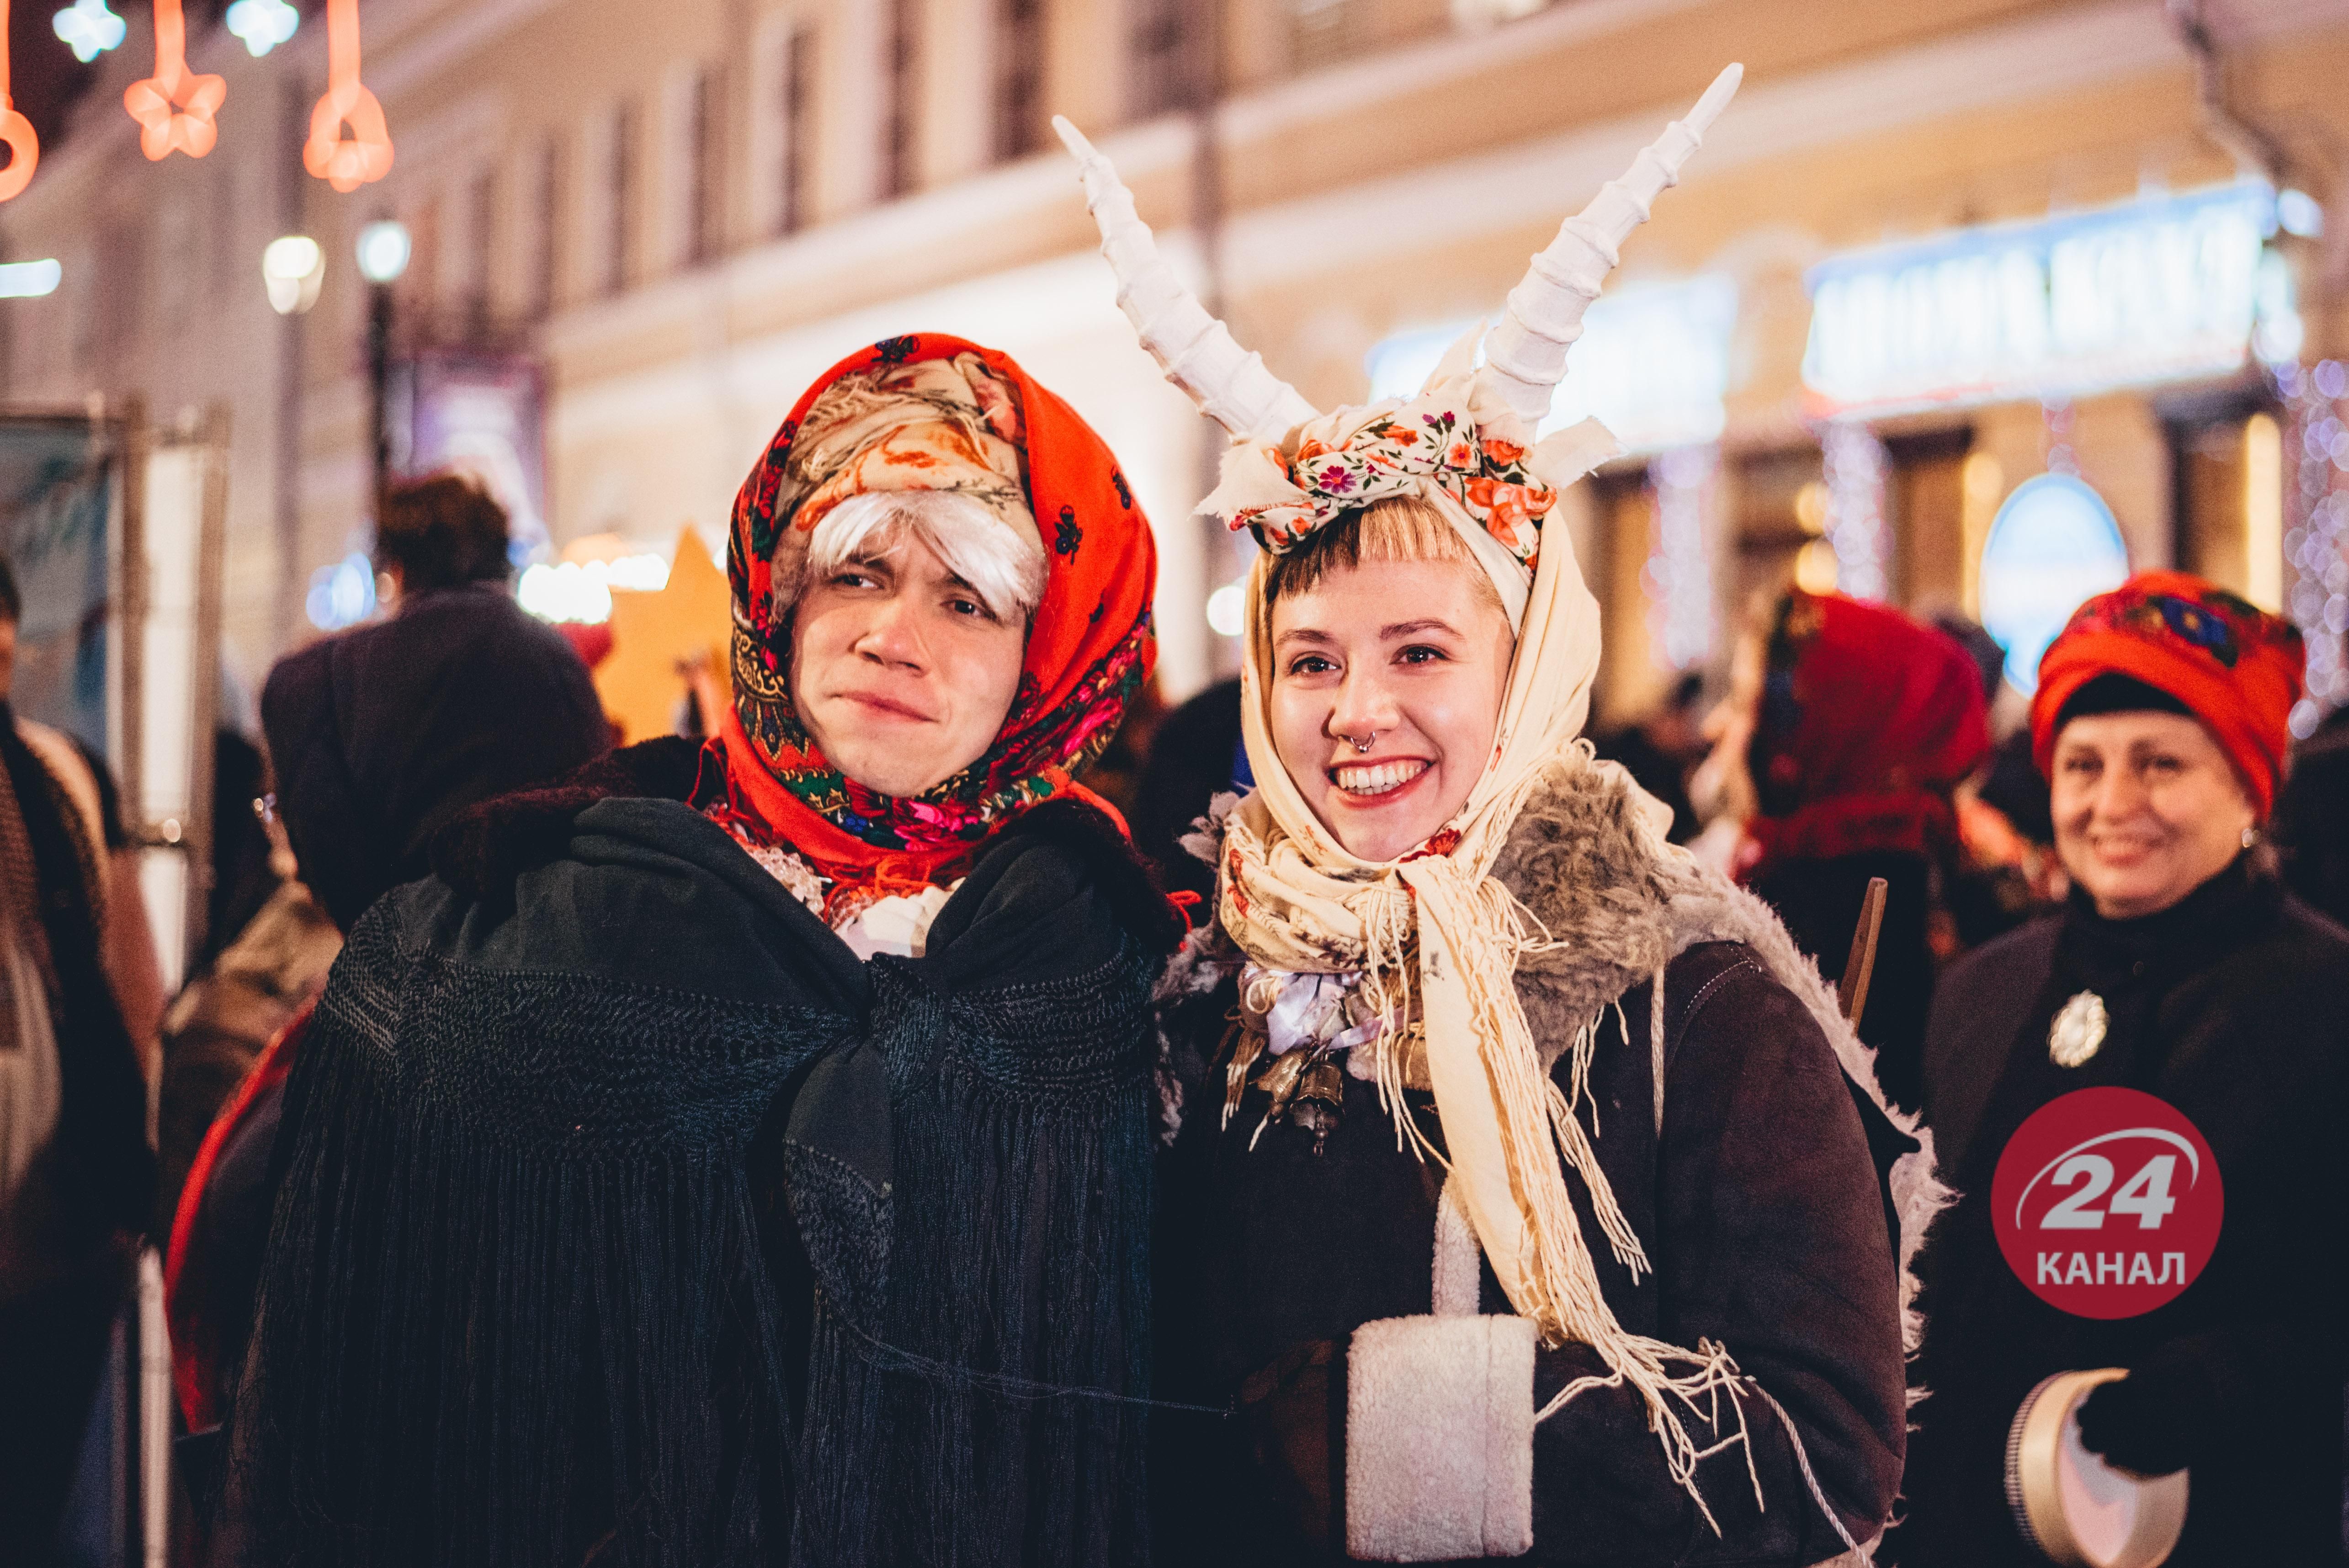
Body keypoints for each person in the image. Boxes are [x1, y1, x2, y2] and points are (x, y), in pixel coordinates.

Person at [1061, 85, 1924, 1564]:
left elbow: (1824, 1445)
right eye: (1311, 660)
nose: (1357, 713)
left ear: (1522, 672)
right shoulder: (1207, 999)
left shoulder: (1687, 1000)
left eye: (1420, 654)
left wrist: (1404, 1431)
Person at [219, 335, 1180, 1565]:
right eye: (859, 570)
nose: (897, 634)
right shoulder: (529, 919)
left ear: (1044, 667)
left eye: (967, 601)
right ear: (783, 597)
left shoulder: (1099, 969)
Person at [1896, 571, 2349, 1567]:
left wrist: (2221, 1379)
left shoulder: (2323, 995)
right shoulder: (1980, 992)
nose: (2112, 803)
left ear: (2245, 785)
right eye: (2082, 763)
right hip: (1971, 1526)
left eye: (2159, 764)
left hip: (2229, 1525)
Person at [0, 553, 168, 1562]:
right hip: (60, 1223)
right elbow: (134, 988)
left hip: (56, 1230)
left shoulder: (57, 776)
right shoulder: (60, 772)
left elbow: (131, 983)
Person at [259, 470, 611, 932]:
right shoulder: (559, 661)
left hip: (405, 969)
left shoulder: (318, 683)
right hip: (554, 956)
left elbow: (332, 868)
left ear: (396, 570)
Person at [1695, 590, 1989, 1114]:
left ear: (1824, 729)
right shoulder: (1932, 866)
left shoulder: (1810, 906)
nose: (1715, 726)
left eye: (1744, 703)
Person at [1590, 669, 1706, 841]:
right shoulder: (1619, 747)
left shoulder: (1681, 768)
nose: (1694, 737)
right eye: (1688, 722)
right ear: (1673, 715)